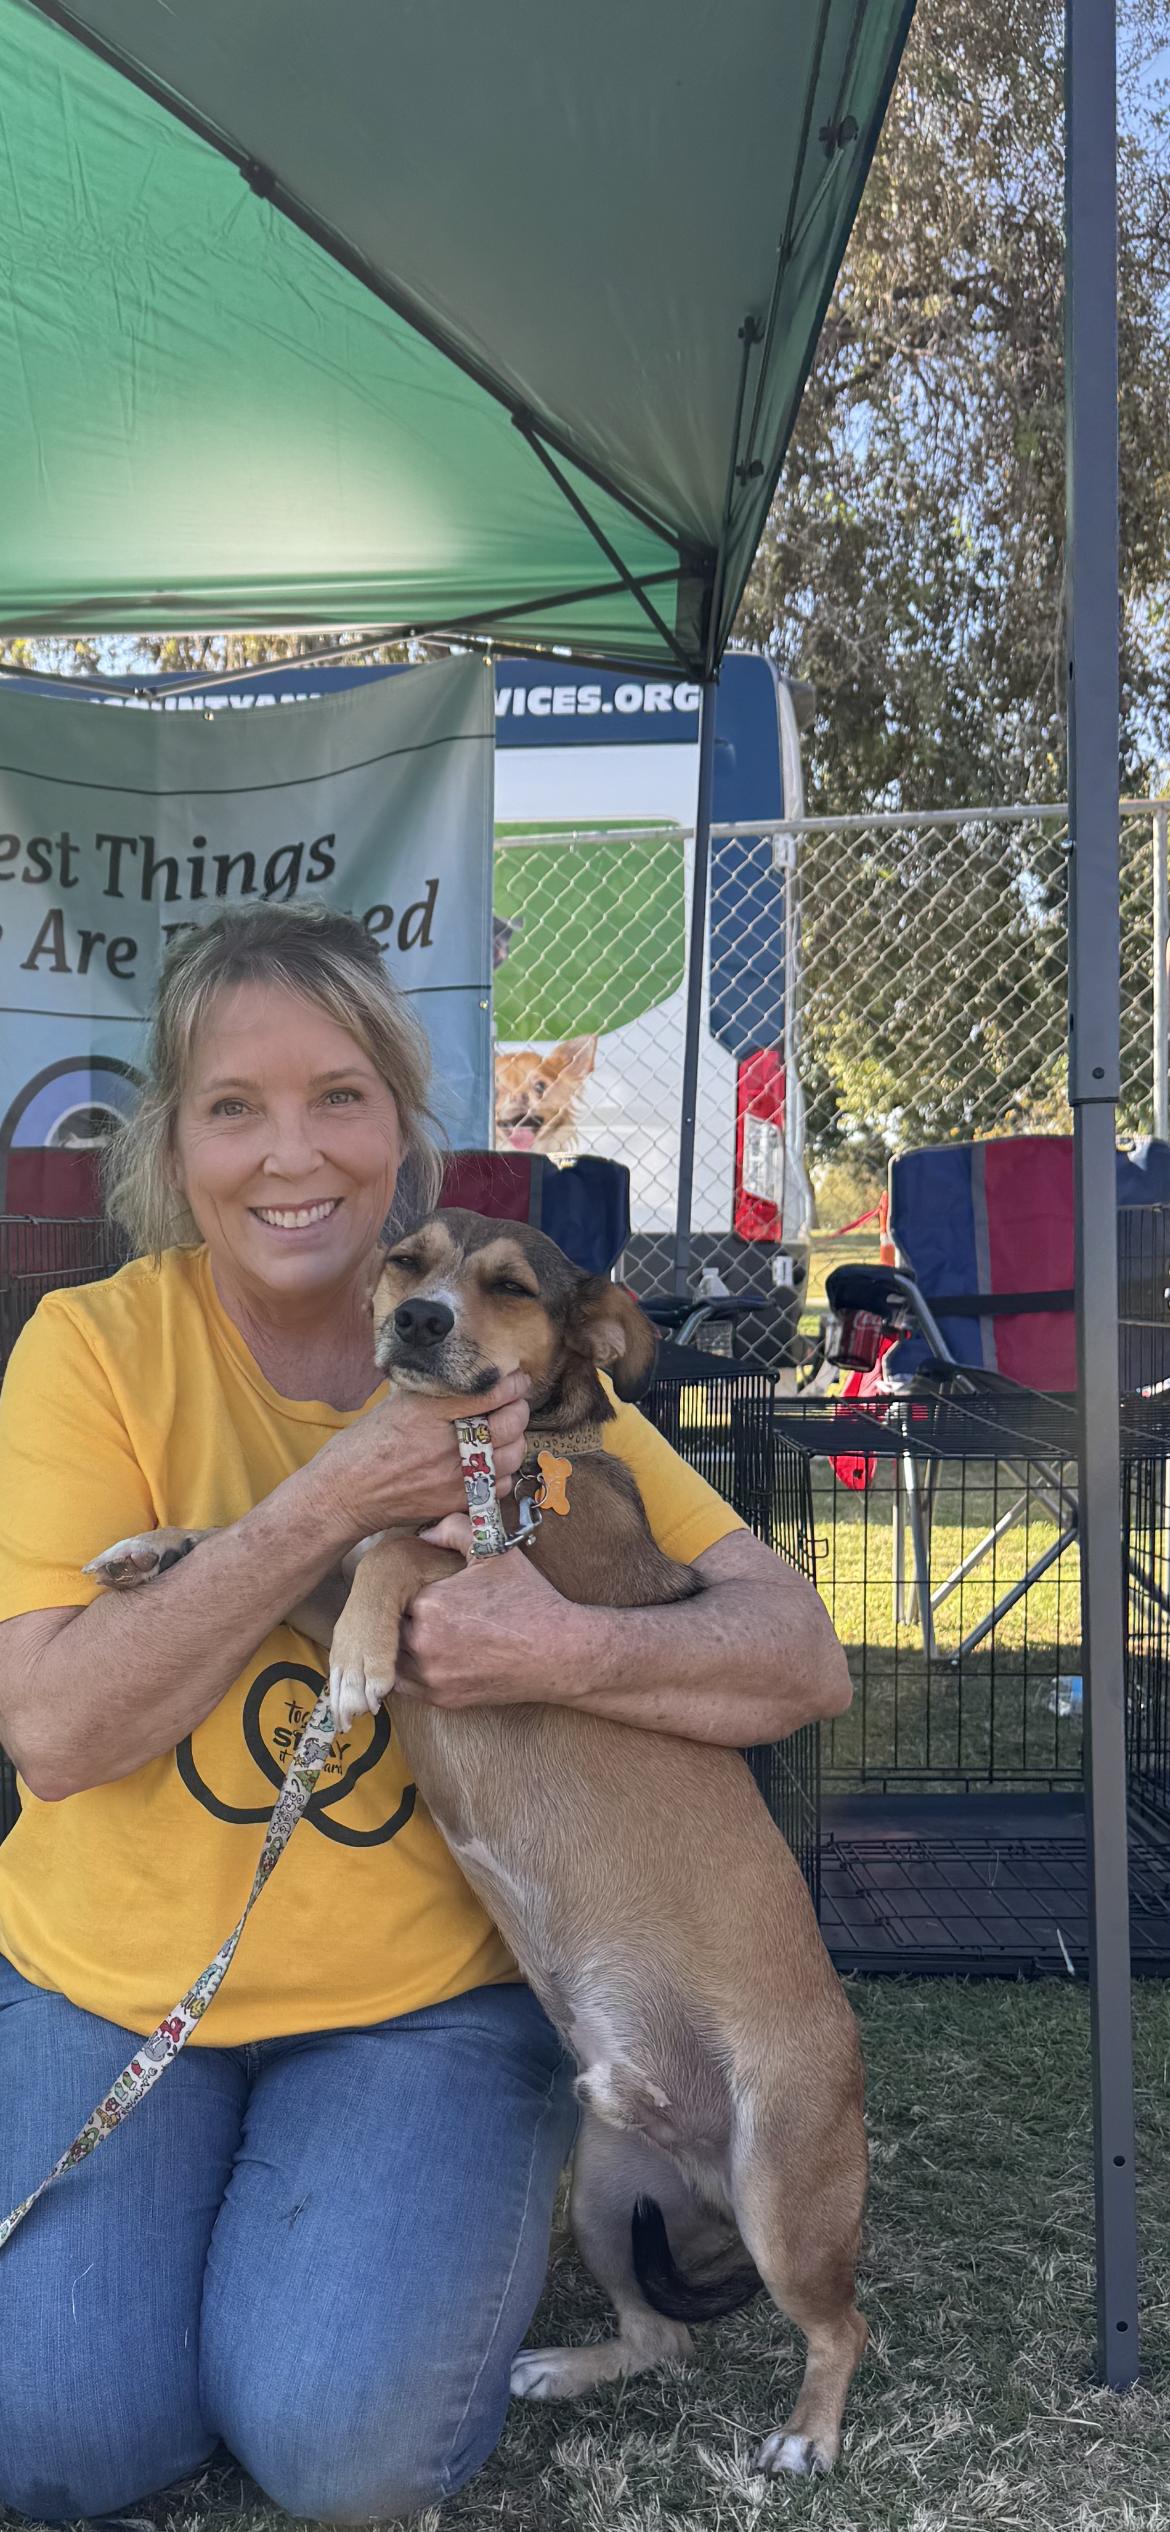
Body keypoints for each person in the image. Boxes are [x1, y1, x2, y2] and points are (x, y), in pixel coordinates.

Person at [0, 902, 852, 2526]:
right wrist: (322, 1508)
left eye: (338, 1096)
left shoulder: (523, 1394)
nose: (287, 1152)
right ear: (171, 1140)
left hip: (416, 2006)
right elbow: (51, 1731)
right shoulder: (94, 1346)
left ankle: (327, 2254)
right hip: (120, 1991)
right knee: (53, 2438)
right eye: (231, 1105)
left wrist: (560, 1649)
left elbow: (800, 1658)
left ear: (401, 1131)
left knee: (339, 2452)